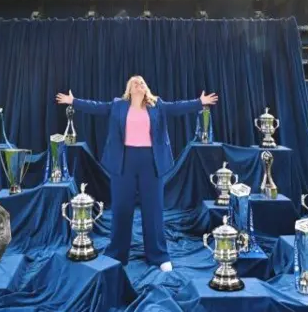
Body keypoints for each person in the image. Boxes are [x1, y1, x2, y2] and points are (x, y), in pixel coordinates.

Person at [56, 76, 218, 272]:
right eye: (134, 83)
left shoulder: (157, 105)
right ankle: (117, 253)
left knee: (154, 208)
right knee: (122, 207)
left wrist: (200, 102)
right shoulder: (118, 105)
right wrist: (73, 101)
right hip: (124, 161)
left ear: (146, 88)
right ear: (129, 89)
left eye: (141, 82)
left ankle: (158, 255)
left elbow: (177, 107)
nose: (138, 84)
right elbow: (96, 107)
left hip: (150, 161)